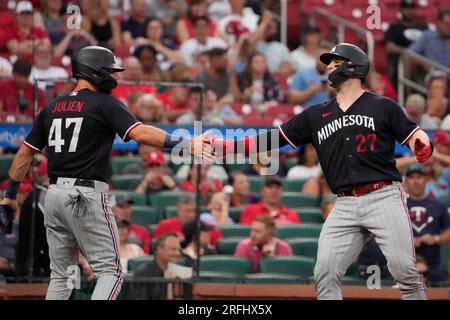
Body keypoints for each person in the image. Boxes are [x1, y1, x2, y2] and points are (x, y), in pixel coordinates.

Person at [212, 43, 433, 299]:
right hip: (345, 203)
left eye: (335, 62)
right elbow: (274, 138)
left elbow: (415, 134)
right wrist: (229, 146)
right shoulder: (316, 114)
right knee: (324, 274)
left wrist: (421, 143)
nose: (329, 67)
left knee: (405, 272)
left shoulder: (383, 106)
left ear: (354, 67)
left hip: (383, 196)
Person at [0, 45, 213, 300]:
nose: (113, 75)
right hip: (85, 194)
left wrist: (9, 196)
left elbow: (24, 153)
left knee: (61, 275)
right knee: (111, 272)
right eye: (109, 70)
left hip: (53, 195)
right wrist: (188, 144)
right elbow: (140, 132)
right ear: (93, 71)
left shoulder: (51, 108)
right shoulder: (105, 103)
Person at [404, 164, 450, 284]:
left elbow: (448, 233)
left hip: (434, 264)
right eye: (411, 177)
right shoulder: (399, 205)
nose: (415, 181)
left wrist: (435, 238)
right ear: (406, 181)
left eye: (419, 177)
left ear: (425, 180)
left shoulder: (438, 205)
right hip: (404, 263)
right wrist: (406, 241)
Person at [384, 0, 428, 86]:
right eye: (406, 8)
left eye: (412, 8)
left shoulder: (423, 27)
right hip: (402, 61)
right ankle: (406, 95)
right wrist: (407, 52)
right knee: (408, 60)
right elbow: (389, 47)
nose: (409, 11)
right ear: (401, 10)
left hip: (423, 60)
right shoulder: (394, 28)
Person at [153, 194, 222, 247]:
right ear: (179, 211)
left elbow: (218, 247)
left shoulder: (207, 227)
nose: (192, 215)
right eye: (188, 211)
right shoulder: (165, 225)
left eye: (195, 211)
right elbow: (156, 247)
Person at [129, 233, 181, 300]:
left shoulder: (180, 273)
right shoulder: (143, 274)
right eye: (173, 249)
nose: (178, 253)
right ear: (159, 249)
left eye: (179, 250)